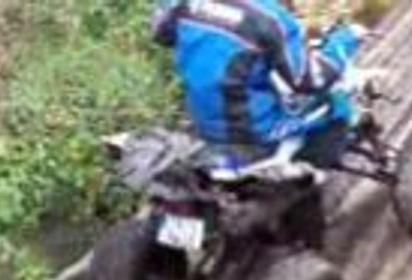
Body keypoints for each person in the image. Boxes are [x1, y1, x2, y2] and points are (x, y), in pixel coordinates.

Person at [151, 0, 365, 167]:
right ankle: (311, 173)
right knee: (337, 105)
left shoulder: (179, 4)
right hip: (251, 130)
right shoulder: (270, 17)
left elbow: (162, 35)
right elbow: (310, 80)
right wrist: (344, 41)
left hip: (201, 121)